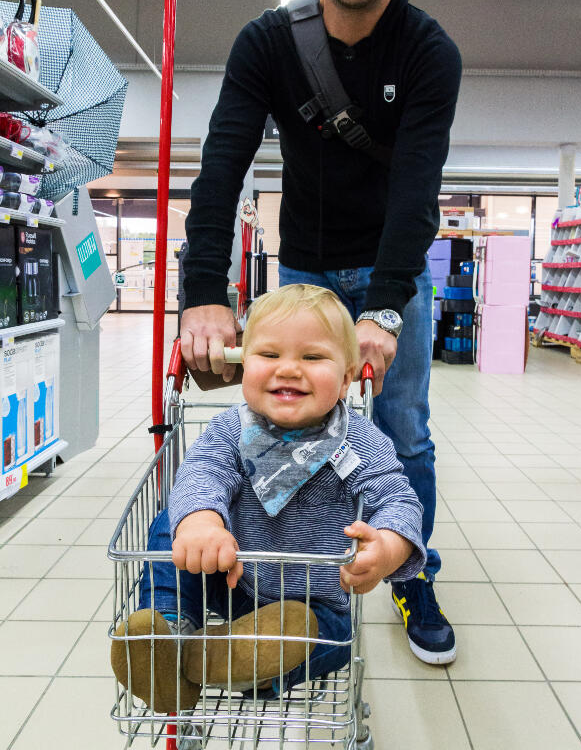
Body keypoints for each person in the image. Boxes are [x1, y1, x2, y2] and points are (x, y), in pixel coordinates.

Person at [180, 0, 462, 664]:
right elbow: (223, 163)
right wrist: (205, 292)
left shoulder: (428, 54)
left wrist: (381, 306)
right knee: (280, 425)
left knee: (402, 435)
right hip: (301, 270)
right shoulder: (267, 42)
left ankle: (410, 570)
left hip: (391, 273)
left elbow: (417, 190)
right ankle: (286, 577)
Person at [111, 285, 425, 710]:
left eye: (312, 358)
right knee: (175, 519)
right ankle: (167, 632)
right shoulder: (231, 429)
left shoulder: (360, 442)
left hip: (316, 602)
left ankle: (230, 663)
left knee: (333, 637)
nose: (289, 370)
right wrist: (203, 522)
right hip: (231, 577)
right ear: (244, 365)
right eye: (270, 355)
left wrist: (387, 547)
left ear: (347, 377)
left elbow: (398, 501)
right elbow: (203, 472)